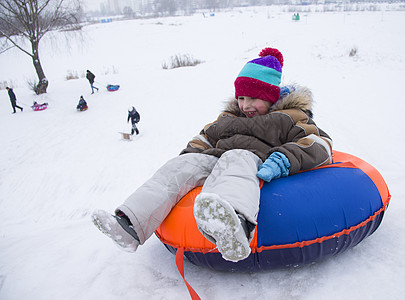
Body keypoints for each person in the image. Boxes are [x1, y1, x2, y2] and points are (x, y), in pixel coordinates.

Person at [92, 48, 333, 262]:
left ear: (270, 97)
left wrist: (284, 158)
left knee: (236, 158)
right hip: (215, 159)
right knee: (182, 165)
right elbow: (205, 137)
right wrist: (190, 153)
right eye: (241, 98)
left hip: (254, 159)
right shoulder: (228, 118)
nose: (246, 105)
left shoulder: (289, 117)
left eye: (254, 99)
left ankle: (235, 227)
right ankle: (129, 225)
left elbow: (319, 143)